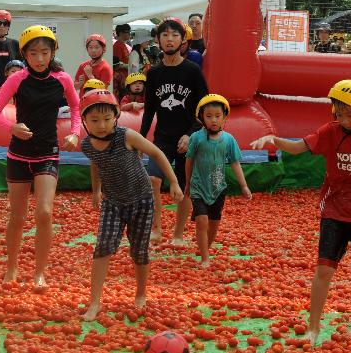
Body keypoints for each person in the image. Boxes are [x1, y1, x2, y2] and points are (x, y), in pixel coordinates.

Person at [251, 80, 351, 348]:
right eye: (338, 112)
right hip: (334, 210)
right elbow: (299, 147)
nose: (341, 118)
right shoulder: (330, 131)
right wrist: (274, 140)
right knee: (324, 270)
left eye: (348, 113)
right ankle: (313, 327)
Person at [0, 26, 80, 286]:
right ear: (25, 54)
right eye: (34, 53)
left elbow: (75, 107)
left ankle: (39, 272)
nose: (40, 58)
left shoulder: (62, 79)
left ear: (53, 53)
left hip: (48, 153)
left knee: (44, 213)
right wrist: (12, 128)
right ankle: (12, 267)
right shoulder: (17, 79)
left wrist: (75, 133)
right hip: (18, 155)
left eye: (45, 52)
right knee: (17, 217)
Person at [80, 89, 183, 320]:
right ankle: (94, 302)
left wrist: (174, 181)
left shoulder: (126, 136)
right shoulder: (87, 145)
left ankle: (141, 293)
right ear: (84, 121)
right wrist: (96, 190)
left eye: (107, 119)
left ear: (116, 117)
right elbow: (95, 164)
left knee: (138, 250)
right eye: (94, 120)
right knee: (103, 245)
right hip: (113, 202)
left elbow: (156, 153)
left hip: (142, 201)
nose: (102, 125)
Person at [139, 17, 209, 245]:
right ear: (158, 40)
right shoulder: (154, 73)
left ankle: (178, 233)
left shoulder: (192, 71)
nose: (170, 40)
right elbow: (149, 110)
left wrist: (191, 134)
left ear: (184, 41)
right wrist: (140, 140)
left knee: (185, 186)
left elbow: (205, 107)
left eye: (175, 35)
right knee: (153, 179)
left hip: (189, 136)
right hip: (163, 137)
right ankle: (156, 229)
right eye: (165, 35)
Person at [185, 94, 251, 267]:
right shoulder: (196, 138)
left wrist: (244, 186)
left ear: (224, 118)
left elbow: (235, 163)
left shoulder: (228, 140)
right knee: (202, 220)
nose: (213, 120)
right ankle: (205, 258)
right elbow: (189, 161)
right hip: (198, 186)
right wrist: (187, 183)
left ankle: (205, 247)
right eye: (208, 116)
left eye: (217, 116)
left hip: (218, 187)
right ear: (201, 118)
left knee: (214, 223)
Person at [112, 24, 132, 99]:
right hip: (121, 79)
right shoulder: (117, 46)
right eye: (128, 32)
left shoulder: (123, 45)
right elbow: (116, 64)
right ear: (120, 33)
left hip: (126, 77)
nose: (129, 34)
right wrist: (128, 66)